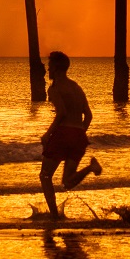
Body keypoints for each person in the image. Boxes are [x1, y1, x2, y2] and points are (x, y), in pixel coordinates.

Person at [39, 50, 102, 218]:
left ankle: (54, 216)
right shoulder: (76, 87)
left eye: (50, 67)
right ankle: (91, 167)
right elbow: (88, 115)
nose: (48, 70)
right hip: (79, 135)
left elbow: (61, 113)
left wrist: (47, 135)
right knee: (67, 182)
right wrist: (78, 133)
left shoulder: (54, 89)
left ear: (57, 69)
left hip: (63, 134)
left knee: (45, 176)